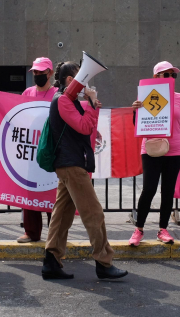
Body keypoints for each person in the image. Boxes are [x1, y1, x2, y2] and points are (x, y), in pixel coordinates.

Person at [42, 61, 128, 280]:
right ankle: (104, 262)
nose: (86, 85)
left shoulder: (68, 100)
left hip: (69, 164)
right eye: (83, 79)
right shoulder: (63, 101)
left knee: (62, 215)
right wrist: (90, 104)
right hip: (71, 165)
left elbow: (88, 128)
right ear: (71, 81)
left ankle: (51, 261)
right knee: (94, 213)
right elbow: (84, 127)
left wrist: (92, 105)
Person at [0, 57, 58, 243]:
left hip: (51, 150)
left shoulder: (58, 94)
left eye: (41, 72)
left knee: (53, 191)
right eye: (35, 72)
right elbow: (16, 114)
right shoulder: (27, 92)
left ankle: (56, 234)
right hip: (30, 150)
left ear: (50, 73)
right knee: (30, 191)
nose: (37, 75)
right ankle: (31, 232)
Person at [128, 61, 180, 247]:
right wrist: (136, 111)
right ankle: (139, 229)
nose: (171, 78)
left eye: (174, 75)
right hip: (151, 148)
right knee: (149, 189)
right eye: (167, 74)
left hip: (175, 149)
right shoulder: (145, 96)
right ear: (156, 77)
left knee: (168, 190)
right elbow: (138, 126)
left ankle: (163, 229)